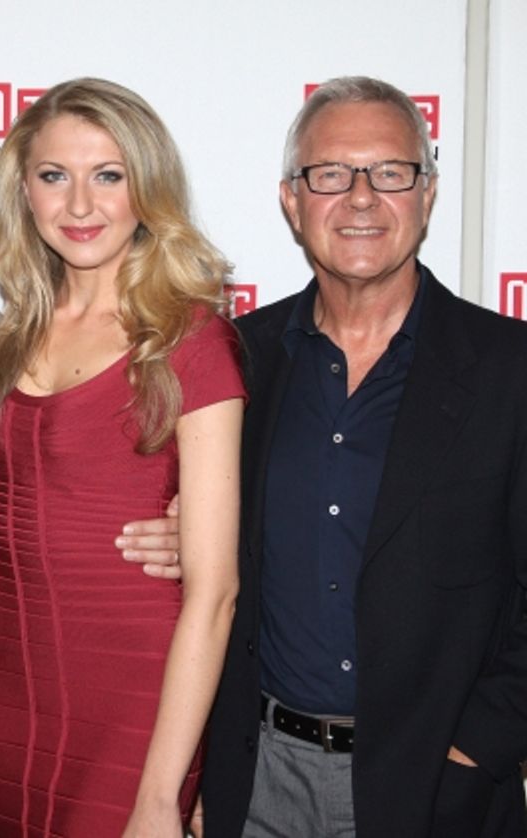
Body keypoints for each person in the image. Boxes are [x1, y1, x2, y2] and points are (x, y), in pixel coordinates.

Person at [121, 76, 527, 837]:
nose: (362, 198)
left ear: (429, 193)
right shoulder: (238, 358)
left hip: (436, 790)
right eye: (331, 175)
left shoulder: (511, 368)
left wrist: (477, 747)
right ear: (291, 201)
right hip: (260, 778)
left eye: (391, 172)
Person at [0, 77, 243, 837]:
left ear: (145, 187)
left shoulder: (190, 338)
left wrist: (158, 801)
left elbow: (214, 594)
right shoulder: (9, 332)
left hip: (137, 686)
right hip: (7, 676)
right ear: (24, 190)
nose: (80, 205)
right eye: (55, 176)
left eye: (107, 176)